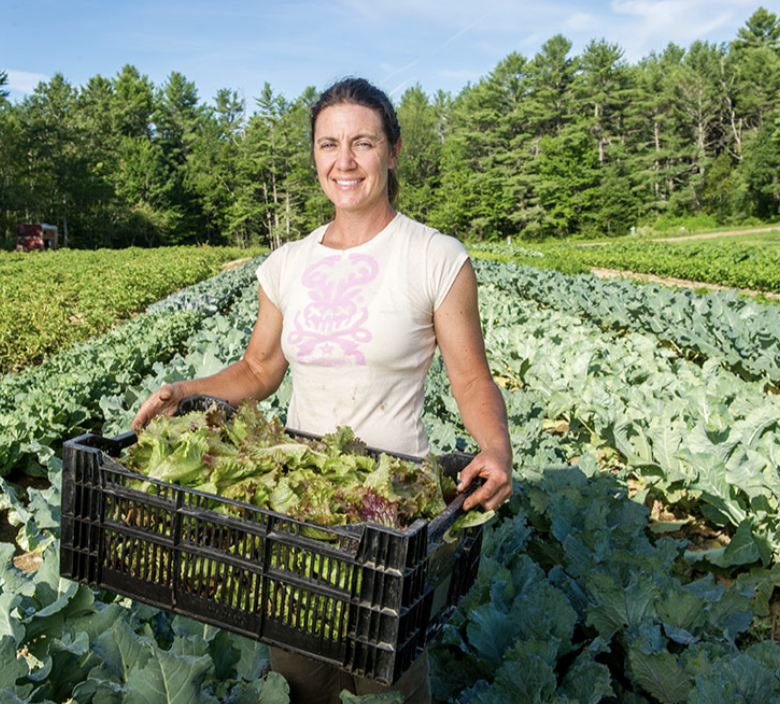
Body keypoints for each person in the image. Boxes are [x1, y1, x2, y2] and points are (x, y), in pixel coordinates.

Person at [132, 76, 512, 704]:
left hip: (391, 515)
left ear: (392, 149)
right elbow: (257, 371)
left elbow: (471, 377)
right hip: (298, 515)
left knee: (386, 682)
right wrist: (184, 393)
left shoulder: (435, 257)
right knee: (299, 676)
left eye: (362, 142)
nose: (344, 160)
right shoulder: (287, 264)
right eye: (328, 144)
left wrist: (494, 447)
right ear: (313, 155)